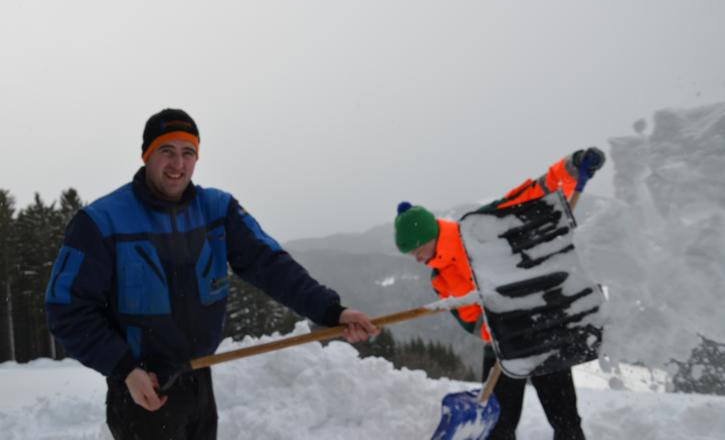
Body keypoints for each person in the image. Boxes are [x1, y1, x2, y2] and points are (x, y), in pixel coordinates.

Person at [45, 108, 379, 440]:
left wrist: (331, 311)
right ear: (147, 155)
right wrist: (125, 369)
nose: (178, 164)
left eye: (188, 152)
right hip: (142, 389)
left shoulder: (217, 211)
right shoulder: (101, 222)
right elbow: (66, 309)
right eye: (166, 151)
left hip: (199, 379)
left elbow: (271, 265)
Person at [393, 147, 605, 440]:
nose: (417, 258)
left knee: (565, 418)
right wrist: (496, 330)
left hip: (542, 329)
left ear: (429, 236)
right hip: (501, 348)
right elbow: (469, 319)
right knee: (499, 427)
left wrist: (571, 167)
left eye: (417, 250)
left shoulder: (479, 229)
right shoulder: (441, 278)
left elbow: (533, 193)